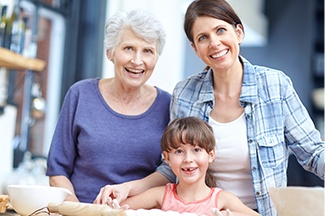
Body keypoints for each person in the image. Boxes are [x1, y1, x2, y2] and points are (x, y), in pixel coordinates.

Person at [95, 0, 324, 215]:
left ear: (239, 32)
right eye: (203, 37)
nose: (214, 43)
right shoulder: (185, 93)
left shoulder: (275, 86)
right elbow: (171, 165)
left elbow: (313, 153)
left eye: (221, 30)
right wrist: (130, 188)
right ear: (195, 48)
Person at [45, 9, 171, 203]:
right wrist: (79, 212)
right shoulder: (80, 95)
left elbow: (170, 171)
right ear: (109, 52)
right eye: (128, 48)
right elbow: (57, 171)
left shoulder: (168, 105)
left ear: (156, 58)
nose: (137, 61)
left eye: (147, 51)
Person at [111, 117, 260, 216]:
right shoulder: (160, 195)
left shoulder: (223, 200)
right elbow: (113, 210)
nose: (188, 159)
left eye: (196, 150)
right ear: (167, 158)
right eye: (179, 151)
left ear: (211, 155)